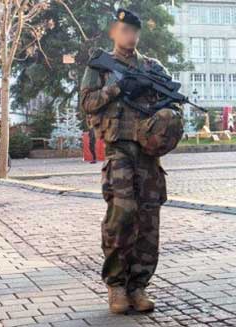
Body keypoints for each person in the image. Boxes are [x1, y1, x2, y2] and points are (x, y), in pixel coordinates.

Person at [80, 8, 170, 314]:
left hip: (148, 153)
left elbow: (170, 104)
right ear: (114, 33)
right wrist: (118, 87)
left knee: (148, 221)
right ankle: (117, 286)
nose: (129, 36)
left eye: (134, 31)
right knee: (122, 215)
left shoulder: (152, 67)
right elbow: (87, 103)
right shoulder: (101, 66)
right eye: (123, 30)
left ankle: (139, 287)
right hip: (118, 150)